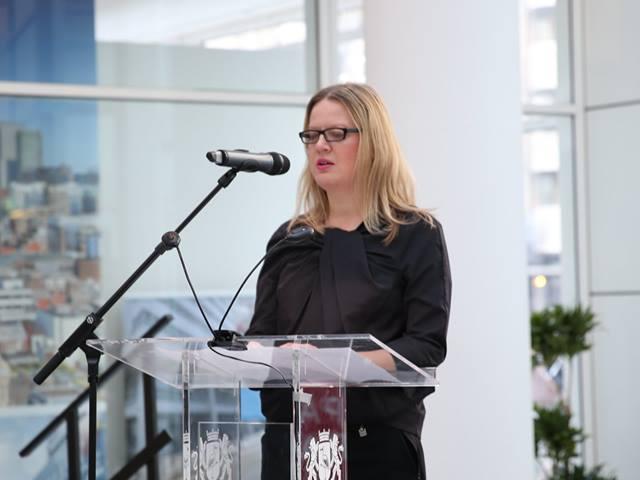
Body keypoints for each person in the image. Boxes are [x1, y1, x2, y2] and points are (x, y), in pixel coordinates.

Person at [246, 83, 451, 480]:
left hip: (376, 445)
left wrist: (330, 365)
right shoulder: (290, 238)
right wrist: (258, 352)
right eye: (312, 135)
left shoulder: (415, 233)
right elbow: (262, 338)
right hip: (289, 443)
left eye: (337, 133)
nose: (321, 145)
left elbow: (425, 345)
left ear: (373, 141)